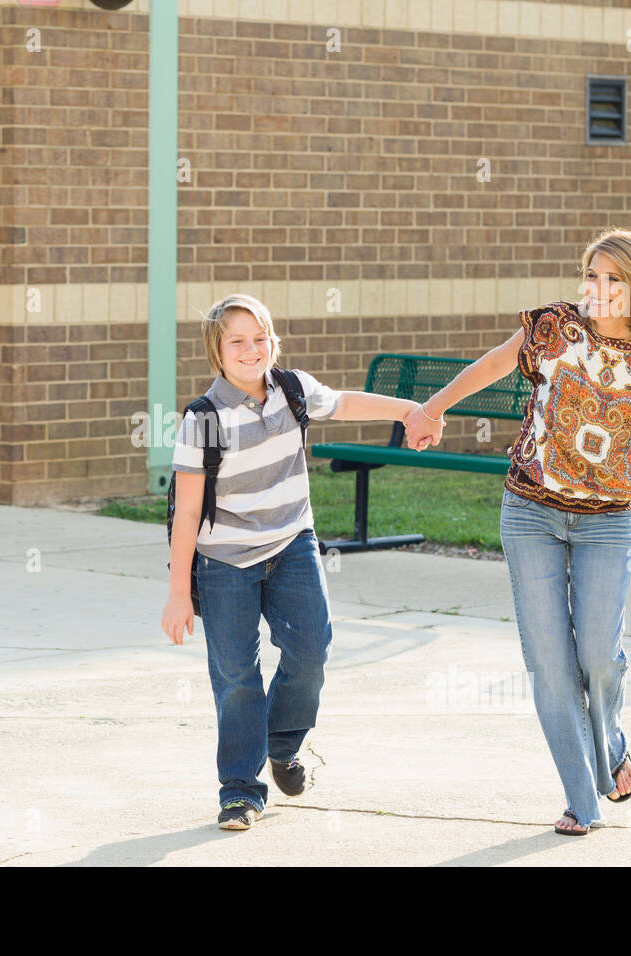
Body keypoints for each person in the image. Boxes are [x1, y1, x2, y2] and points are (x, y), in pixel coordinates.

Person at [401, 228, 631, 836]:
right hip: (531, 510)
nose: (599, 289)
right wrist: (434, 406)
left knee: (597, 656)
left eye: (615, 279)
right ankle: (581, 798)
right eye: (592, 275)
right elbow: (493, 364)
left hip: (608, 522)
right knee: (549, 663)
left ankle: (609, 741)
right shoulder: (553, 327)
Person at [160, 293, 428, 831]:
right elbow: (187, 512)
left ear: (273, 341)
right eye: (237, 340)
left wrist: (407, 410)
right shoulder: (203, 420)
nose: (250, 349)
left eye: (259, 337)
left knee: (312, 649)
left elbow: (346, 403)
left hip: (291, 545)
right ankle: (239, 790)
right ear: (217, 350)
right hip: (224, 563)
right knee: (236, 677)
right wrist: (177, 592)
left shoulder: (292, 391)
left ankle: (281, 744)